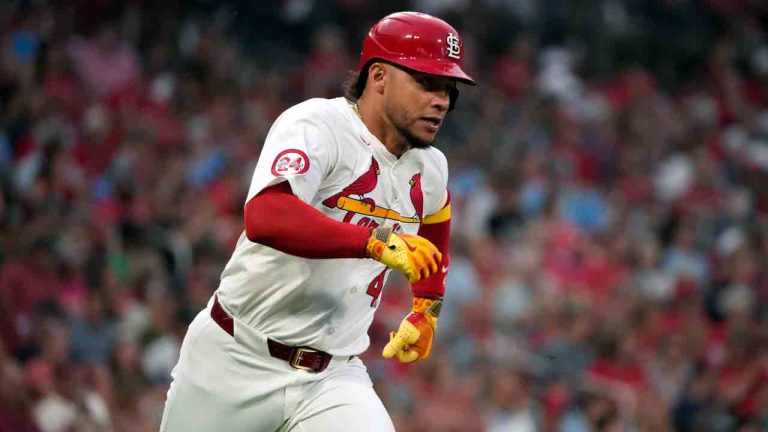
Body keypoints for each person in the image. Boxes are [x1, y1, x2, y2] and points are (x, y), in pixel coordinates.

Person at [160, 11, 475, 432]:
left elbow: (437, 222)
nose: (441, 100)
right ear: (379, 76)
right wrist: (374, 241)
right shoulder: (317, 125)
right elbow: (266, 216)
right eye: (426, 83)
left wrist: (426, 307)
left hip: (333, 377)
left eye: (448, 89)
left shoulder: (431, 167)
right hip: (235, 357)